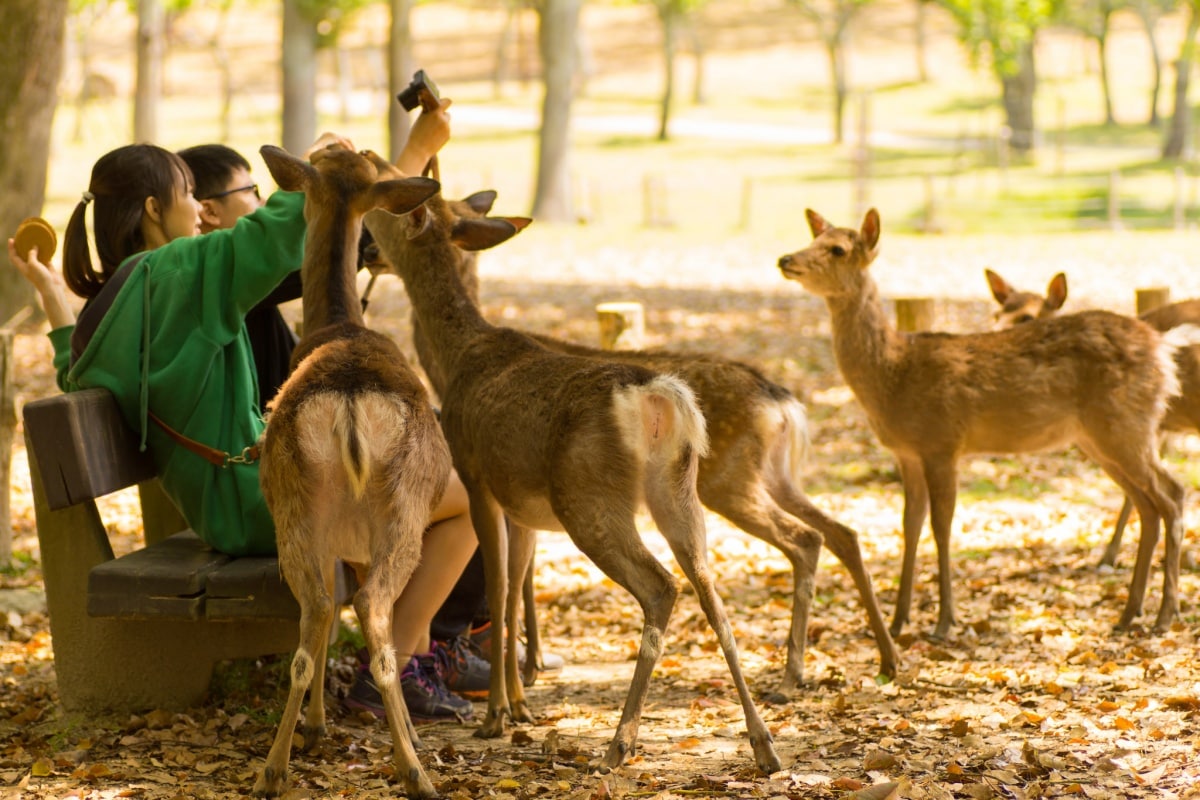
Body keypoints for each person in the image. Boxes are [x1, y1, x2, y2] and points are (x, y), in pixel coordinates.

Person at [7, 105, 482, 722]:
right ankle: (395, 666)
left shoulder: (107, 310)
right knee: (470, 490)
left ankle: (406, 655)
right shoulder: (179, 271)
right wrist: (321, 162)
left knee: (394, 482)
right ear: (154, 209)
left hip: (224, 508)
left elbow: (74, 374)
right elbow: (280, 232)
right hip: (266, 503)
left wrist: (51, 297)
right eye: (187, 195)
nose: (200, 210)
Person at [173, 139, 495, 706]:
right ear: (207, 209)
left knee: (426, 460)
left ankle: (425, 646)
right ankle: (403, 657)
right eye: (250, 192)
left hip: (292, 458)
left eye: (261, 189)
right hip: (271, 483)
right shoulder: (232, 287)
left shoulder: (225, 281)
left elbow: (340, 235)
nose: (263, 201)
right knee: (468, 490)